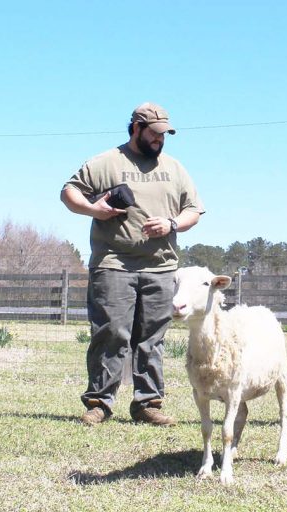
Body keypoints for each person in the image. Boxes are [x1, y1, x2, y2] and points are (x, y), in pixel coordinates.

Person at [61, 102, 204, 427]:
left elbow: (193, 210)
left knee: (151, 338)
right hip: (113, 265)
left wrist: (171, 224)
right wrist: (94, 210)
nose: (159, 140)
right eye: (154, 134)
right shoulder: (106, 162)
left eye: (164, 134)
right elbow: (69, 192)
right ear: (137, 128)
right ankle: (99, 403)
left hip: (161, 267)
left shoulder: (175, 168)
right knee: (111, 333)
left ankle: (147, 404)